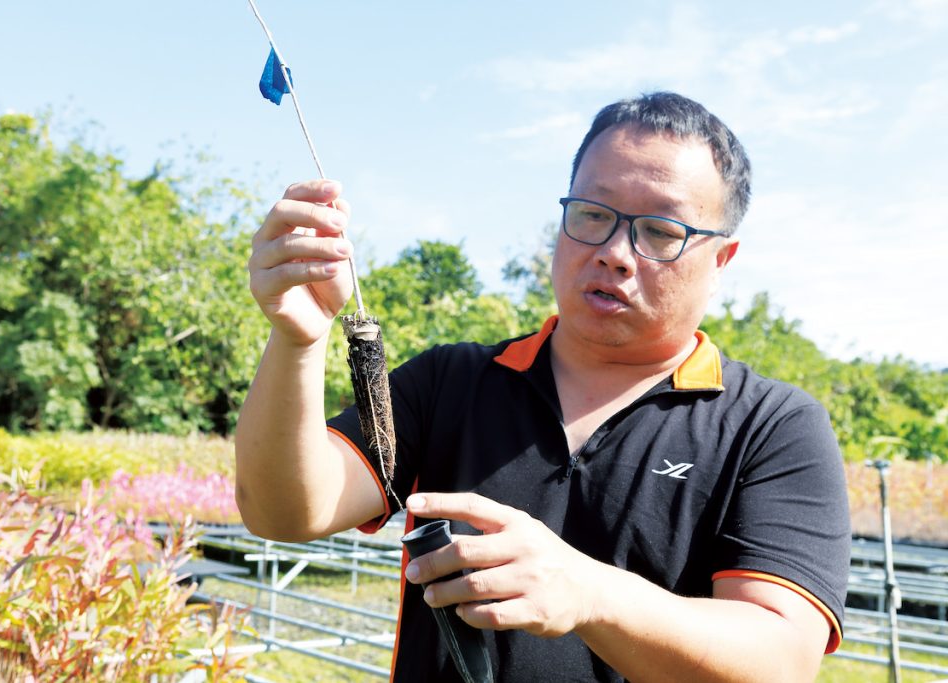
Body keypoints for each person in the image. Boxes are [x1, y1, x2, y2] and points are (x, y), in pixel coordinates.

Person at [235, 91, 851, 682]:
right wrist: (297, 340)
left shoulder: (770, 426)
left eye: (660, 231)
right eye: (592, 214)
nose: (615, 252)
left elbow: (780, 659)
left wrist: (587, 591)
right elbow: (284, 510)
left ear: (721, 261)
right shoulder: (452, 382)